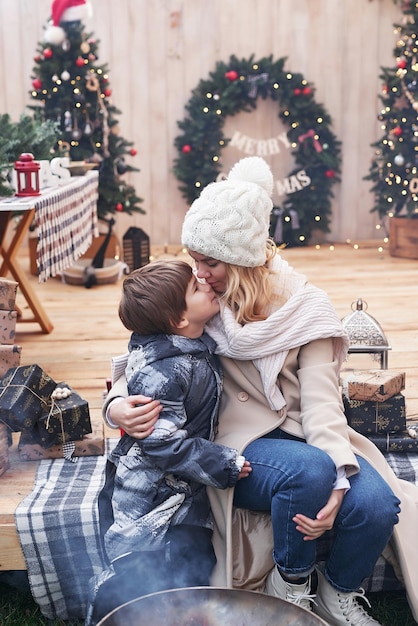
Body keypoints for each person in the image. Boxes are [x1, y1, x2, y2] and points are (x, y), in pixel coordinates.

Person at [104, 157, 418, 626]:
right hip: (237, 445)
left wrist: (339, 482)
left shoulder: (302, 308)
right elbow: (150, 358)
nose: (201, 273)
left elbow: (322, 404)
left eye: (210, 263)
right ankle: (289, 589)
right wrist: (115, 407)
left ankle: (339, 592)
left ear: (242, 262)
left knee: (375, 504)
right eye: (196, 262)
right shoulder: (203, 306)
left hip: (302, 435)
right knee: (307, 473)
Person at [86, 259, 251, 626]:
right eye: (196, 287)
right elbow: (160, 445)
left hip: (181, 493)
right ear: (179, 320)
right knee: (141, 578)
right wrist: (224, 463)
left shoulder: (186, 340)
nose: (206, 283)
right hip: (149, 499)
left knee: (193, 567)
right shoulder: (164, 367)